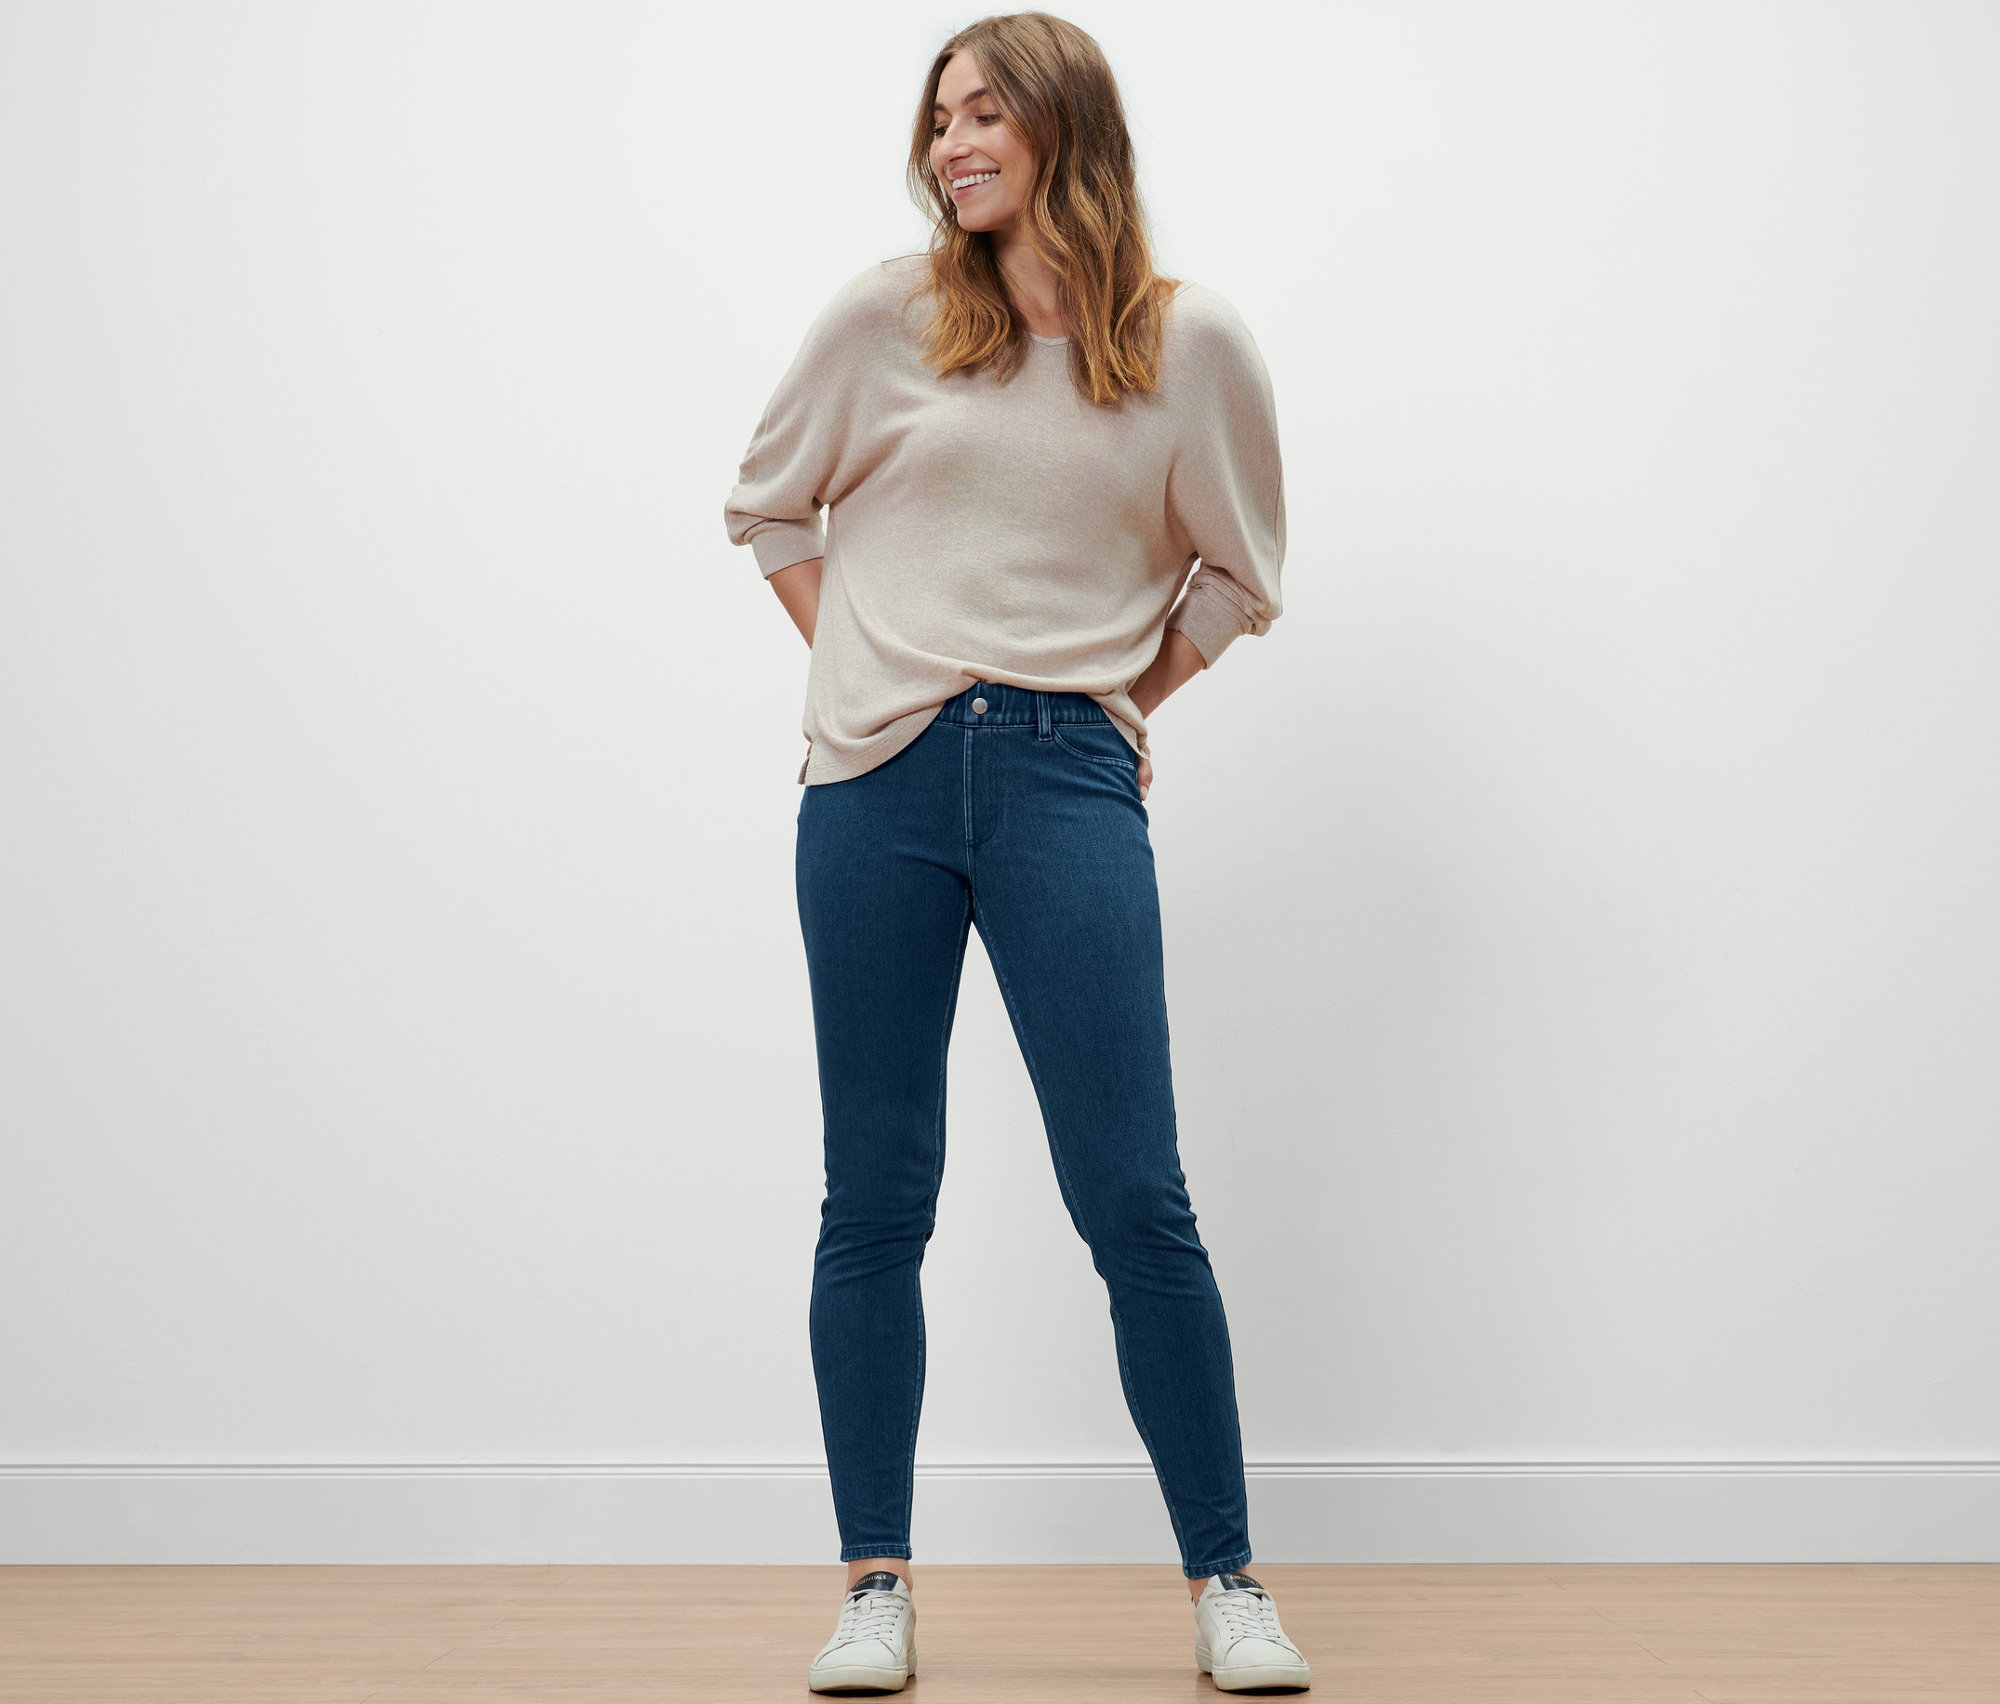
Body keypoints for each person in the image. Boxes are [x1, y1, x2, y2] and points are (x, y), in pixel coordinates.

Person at [723, 11, 1310, 1693]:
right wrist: (873, 669)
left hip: (1066, 777)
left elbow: (1236, 574)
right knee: (876, 1191)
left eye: (984, 110)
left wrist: (1110, 706)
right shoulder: (886, 318)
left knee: (1136, 1195)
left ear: (1066, 123)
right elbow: (768, 506)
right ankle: (874, 1586)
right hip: (876, 786)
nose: (950, 142)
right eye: (937, 119)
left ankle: (1226, 1582)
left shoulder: (1191, 348)